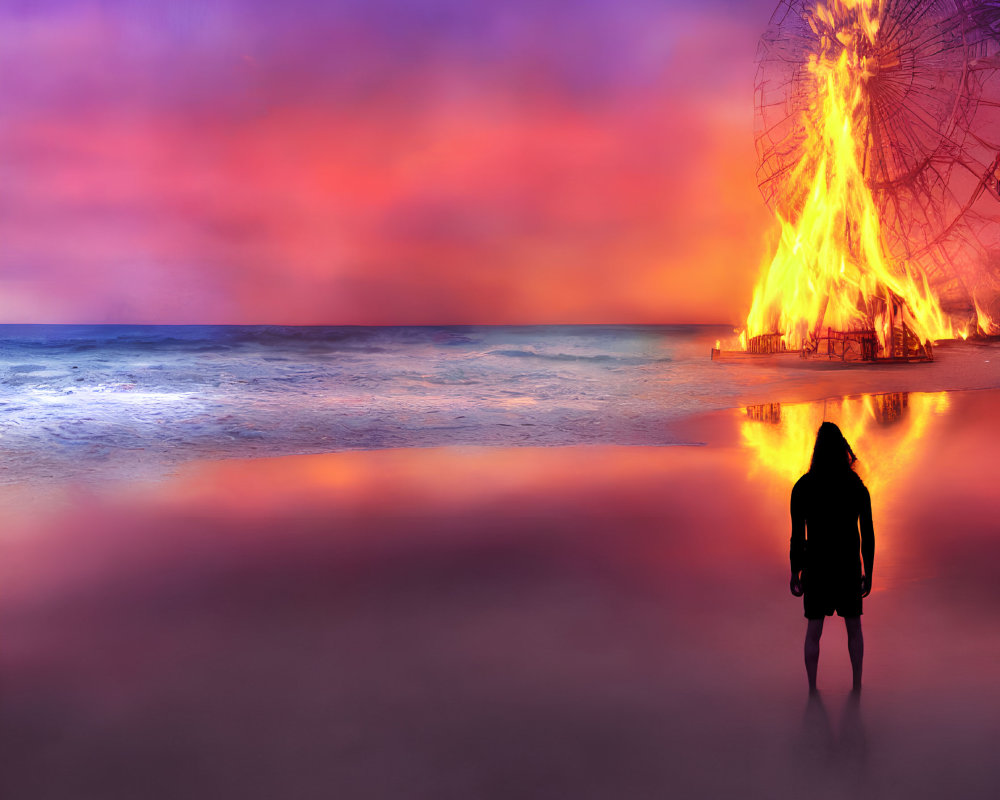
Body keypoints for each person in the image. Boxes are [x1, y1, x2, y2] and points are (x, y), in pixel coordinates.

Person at [789, 422, 874, 694]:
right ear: (842, 449)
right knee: (854, 628)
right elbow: (868, 535)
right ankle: (857, 684)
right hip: (847, 564)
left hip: (817, 566)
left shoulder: (802, 487)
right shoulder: (856, 487)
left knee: (814, 630)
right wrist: (869, 572)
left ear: (816, 450)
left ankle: (813, 689)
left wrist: (795, 571)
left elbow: (797, 536)